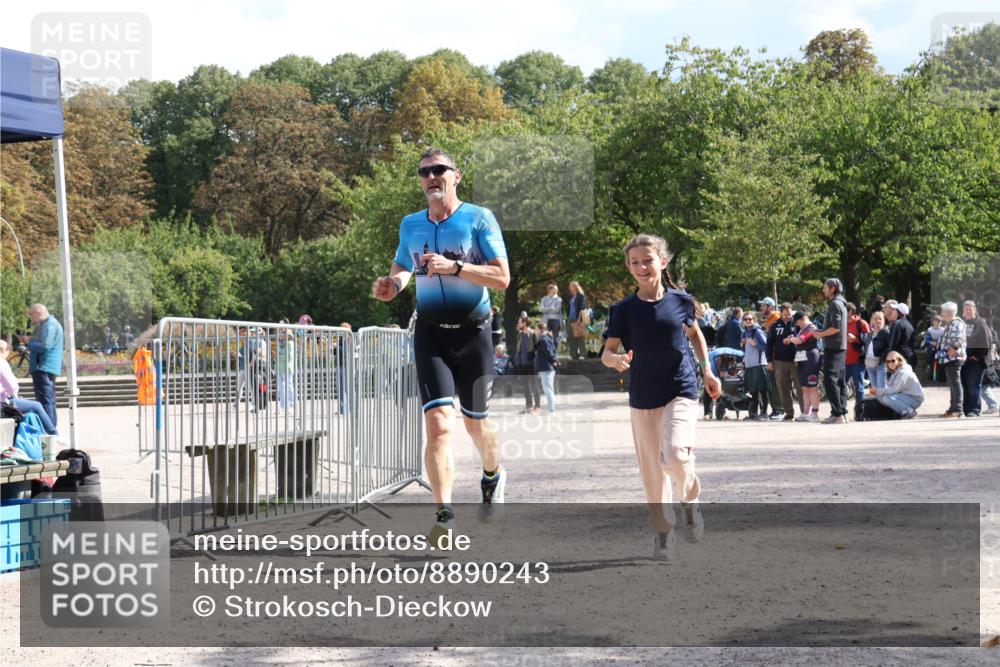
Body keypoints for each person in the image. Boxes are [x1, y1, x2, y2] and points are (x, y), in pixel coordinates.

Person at [372, 146, 510, 542]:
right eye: (424, 172)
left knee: (477, 426)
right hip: (431, 333)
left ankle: (492, 474)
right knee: (437, 426)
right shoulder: (410, 224)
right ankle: (444, 515)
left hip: (474, 334)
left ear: (456, 175)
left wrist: (457, 268)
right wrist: (392, 286)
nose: (431, 177)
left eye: (438, 170)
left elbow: (502, 278)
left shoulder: (479, 219)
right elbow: (402, 266)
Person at [602, 234, 720, 561]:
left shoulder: (681, 301)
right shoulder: (622, 310)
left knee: (676, 454)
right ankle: (664, 533)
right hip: (642, 397)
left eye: (648, 260)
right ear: (629, 267)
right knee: (652, 474)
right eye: (635, 262)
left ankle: (689, 501)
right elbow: (607, 353)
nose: (642, 266)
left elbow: (695, 335)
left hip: (681, 389)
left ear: (662, 262)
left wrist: (707, 370)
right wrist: (616, 360)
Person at [18, 304, 63, 429]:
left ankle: (49, 431)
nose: (30, 317)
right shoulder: (46, 325)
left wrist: (29, 343)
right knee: (48, 400)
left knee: (45, 401)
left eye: (31, 314)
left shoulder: (50, 325)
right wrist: (32, 338)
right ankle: (51, 429)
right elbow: (44, 341)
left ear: (39, 313)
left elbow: (44, 346)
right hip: (45, 367)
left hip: (43, 367)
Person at [0, 340, 58, 435]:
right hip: (3, 402)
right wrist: (15, 396)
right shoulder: (1, 363)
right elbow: (12, 387)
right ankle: (53, 434)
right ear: (3, 350)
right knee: (37, 406)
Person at [812, 279, 849, 423]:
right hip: (839, 347)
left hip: (833, 347)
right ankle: (842, 412)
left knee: (830, 379)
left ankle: (837, 414)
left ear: (832, 288)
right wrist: (820, 331)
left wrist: (820, 334)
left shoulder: (835, 304)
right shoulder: (842, 303)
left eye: (825, 288)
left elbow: (835, 328)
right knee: (839, 380)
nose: (823, 290)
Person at [865, 351, 924, 419]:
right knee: (882, 398)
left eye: (893, 361)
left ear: (899, 360)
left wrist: (877, 391)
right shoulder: (896, 371)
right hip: (906, 395)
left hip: (915, 399)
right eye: (888, 361)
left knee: (886, 398)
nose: (890, 363)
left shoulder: (903, 372)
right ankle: (904, 411)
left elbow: (893, 390)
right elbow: (889, 386)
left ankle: (909, 411)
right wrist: (875, 393)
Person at [960, 300, 994, 418]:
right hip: (962, 360)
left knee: (974, 386)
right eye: (966, 309)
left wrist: (978, 356)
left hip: (976, 361)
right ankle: (965, 410)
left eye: (970, 308)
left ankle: (974, 410)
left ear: (975, 310)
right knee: (964, 386)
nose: (968, 311)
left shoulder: (981, 323)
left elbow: (987, 342)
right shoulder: (961, 323)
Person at [767, 303, 800, 421]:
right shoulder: (774, 326)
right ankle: (789, 412)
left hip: (795, 360)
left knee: (799, 386)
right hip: (780, 361)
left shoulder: (797, 324)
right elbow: (769, 344)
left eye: (790, 314)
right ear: (781, 313)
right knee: (783, 387)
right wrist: (769, 361)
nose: (788, 316)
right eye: (785, 314)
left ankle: (805, 412)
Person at [786, 311, 821, 422]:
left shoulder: (811, 328)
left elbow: (800, 340)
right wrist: (793, 338)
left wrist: (791, 339)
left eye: (798, 322)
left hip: (811, 357)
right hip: (801, 358)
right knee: (804, 388)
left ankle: (814, 413)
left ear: (803, 319)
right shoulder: (802, 329)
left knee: (812, 387)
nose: (797, 324)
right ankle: (806, 413)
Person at [937, 301, 966, 418]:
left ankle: (958, 410)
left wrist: (952, 350)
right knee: (953, 384)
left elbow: (957, 340)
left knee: (955, 384)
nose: (941, 314)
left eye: (943, 311)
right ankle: (952, 408)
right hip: (949, 358)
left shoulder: (956, 324)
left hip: (953, 358)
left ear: (948, 312)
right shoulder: (951, 323)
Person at [740, 311, 770, 421]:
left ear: (754, 320)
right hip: (749, 365)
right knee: (752, 391)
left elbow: (767, 347)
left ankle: (764, 413)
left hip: (759, 365)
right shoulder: (744, 332)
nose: (748, 321)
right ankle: (753, 414)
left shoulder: (757, 332)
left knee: (762, 390)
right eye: (746, 319)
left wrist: (755, 344)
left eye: (750, 319)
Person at [844, 302, 871, 404]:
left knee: (859, 387)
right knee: (841, 386)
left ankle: (859, 411)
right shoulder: (842, 324)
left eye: (843, 311)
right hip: (844, 361)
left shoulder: (861, 323)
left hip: (858, 361)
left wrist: (855, 339)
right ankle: (841, 411)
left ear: (850, 312)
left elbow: (869, 339)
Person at [513, 316, 541, 414]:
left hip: (531, 363)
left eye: (520, 322)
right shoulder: (520, 334)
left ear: (525, 323)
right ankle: (529, 405)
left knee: (534, 385)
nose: (518, 324)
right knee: (525, 385)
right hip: (522, 363)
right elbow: (519, 349)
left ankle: (537, 406)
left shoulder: (532, 333)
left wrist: (533, 360)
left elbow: (538, 348)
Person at [534, 322, 558, 413]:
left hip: (546, 367)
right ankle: (551, 408)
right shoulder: (548, 338)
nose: (535, 331)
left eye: (536, 329)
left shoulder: (543, 339)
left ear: (541, 330)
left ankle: (551, 409)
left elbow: (548, 352)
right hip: (547, 367)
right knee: (548, 388)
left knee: (548, 389)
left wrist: (553, 361)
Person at [865, 310, 890, 389]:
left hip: (881, 365)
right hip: (869, 364)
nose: (878, 321)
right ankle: (876, 401)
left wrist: (882, 358)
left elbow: (890, 348)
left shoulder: (885, 333)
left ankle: (884, 402)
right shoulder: (870, 334)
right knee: (874, 390)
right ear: (872, 320)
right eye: (876, 319)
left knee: (881, 389)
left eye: (880, 319)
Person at [886, 302, 917, 367]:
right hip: (910, 357)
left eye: (894, 310)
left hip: (901, 359)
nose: (893, 312)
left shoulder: (897, 324)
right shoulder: (909, 324)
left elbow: (893, 343)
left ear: (899, 312)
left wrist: (889, 358)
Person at [276, 327, 295, 413]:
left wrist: (279, 355)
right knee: (281, 387)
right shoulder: (280, 343)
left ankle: (292, 405)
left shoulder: (290, 343)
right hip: (280, 368)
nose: (280, 334)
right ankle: (283, 405)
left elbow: (289, 357)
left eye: (282, 333)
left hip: (287, 368)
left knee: (289, 386)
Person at [567, 281, 587, 360]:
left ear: (575, 287)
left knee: (580, 336)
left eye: (571, 286)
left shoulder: (581, 296)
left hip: (578, 318)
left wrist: (579, 319)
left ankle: (583, 354)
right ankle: (573, 355)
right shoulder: (571, 296)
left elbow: (582, 308)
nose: (569, 287)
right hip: (570, 318)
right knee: (571, 337)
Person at [923, 315, 945, 383]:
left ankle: (941, 375)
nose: (937, 323)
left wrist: (938, 343)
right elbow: (927, 339)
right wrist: (931, 343)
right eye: (935, 321)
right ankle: (928, 365)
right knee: (930, 350)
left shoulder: (943, 329)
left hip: (940, 345)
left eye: (938, 322)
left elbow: (944, 339)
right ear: (933, 322)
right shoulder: (930, 329)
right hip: (932, 345)